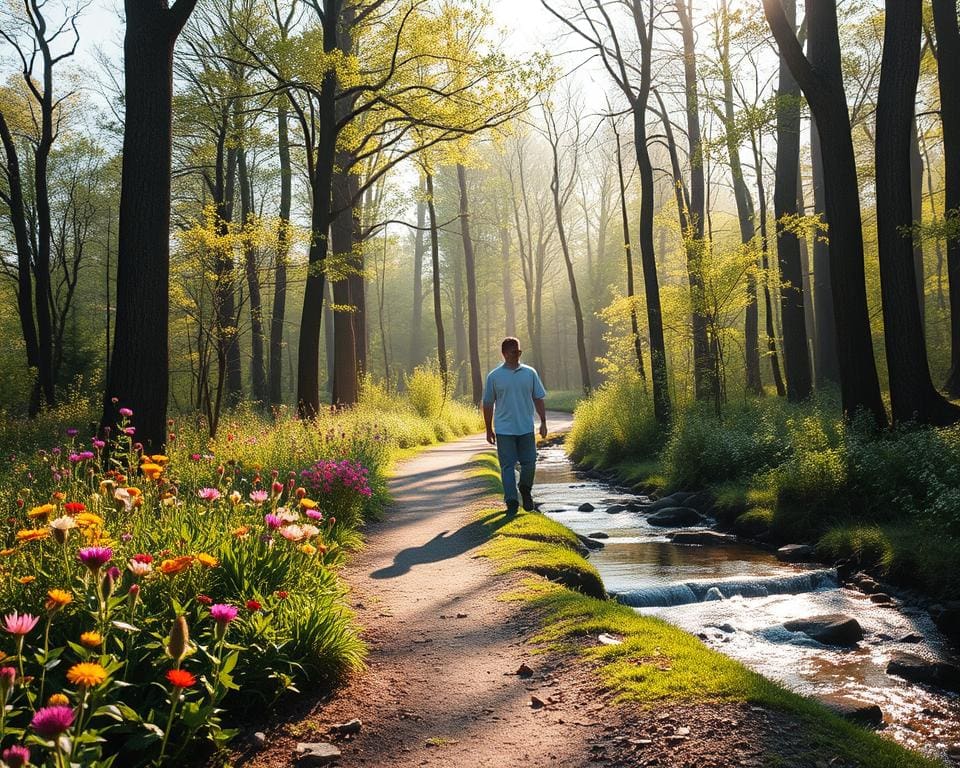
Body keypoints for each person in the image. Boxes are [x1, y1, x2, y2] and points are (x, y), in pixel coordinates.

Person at [482, 337, 547, 513]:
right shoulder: (494, 376)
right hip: (504, 430)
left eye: (519, 352)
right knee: (507, 466)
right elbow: (487, 404)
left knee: (530, 463)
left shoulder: (529, 373)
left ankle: (525, 489)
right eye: (513, 352)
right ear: (504, 354)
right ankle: (511, 501)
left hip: (526, 427)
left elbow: (538, 397)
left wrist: (543, 422)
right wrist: (489, 429)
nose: (517, 355)